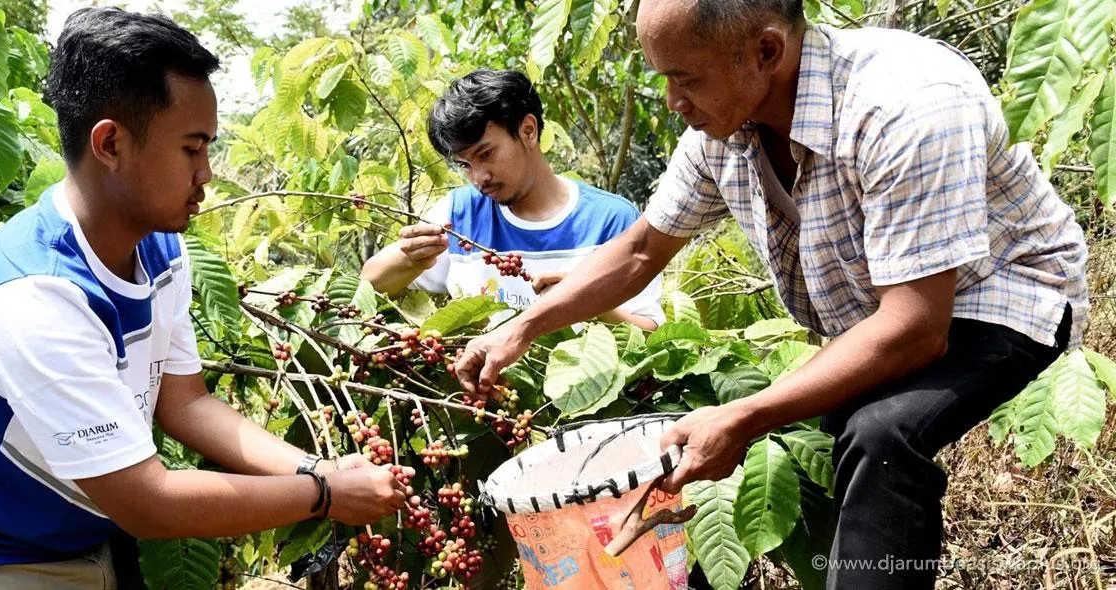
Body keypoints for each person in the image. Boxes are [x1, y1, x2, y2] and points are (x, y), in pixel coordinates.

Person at [453, 1, 1088, 588]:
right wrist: (521, 329)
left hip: (1007, 293)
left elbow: (917, 327)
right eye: (664, 80)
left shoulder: (904, 104)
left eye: (686, 79)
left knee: (879, 434)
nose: (673, 102)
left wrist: (744, 417)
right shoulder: (724, 129)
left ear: (765, 50)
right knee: (833, 432)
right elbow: (643, 250)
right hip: (886, 314)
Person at [0, 8, 403, 588]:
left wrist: (317, 468)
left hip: (78, 540)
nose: (207, 173)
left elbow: (185, 403)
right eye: (191, 149)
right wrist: (325, 493)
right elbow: (149, 503)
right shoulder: (33, 297)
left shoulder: (159, 247)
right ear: (110, 143)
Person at [360, 69, 664, 330]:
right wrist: (410, 258)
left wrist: (584, 301)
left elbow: (651, 334)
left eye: (486, 154)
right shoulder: (459, 214)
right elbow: (367, 286)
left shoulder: (612, 220)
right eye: (464, 165)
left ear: (528, 131)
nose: (478, 178)